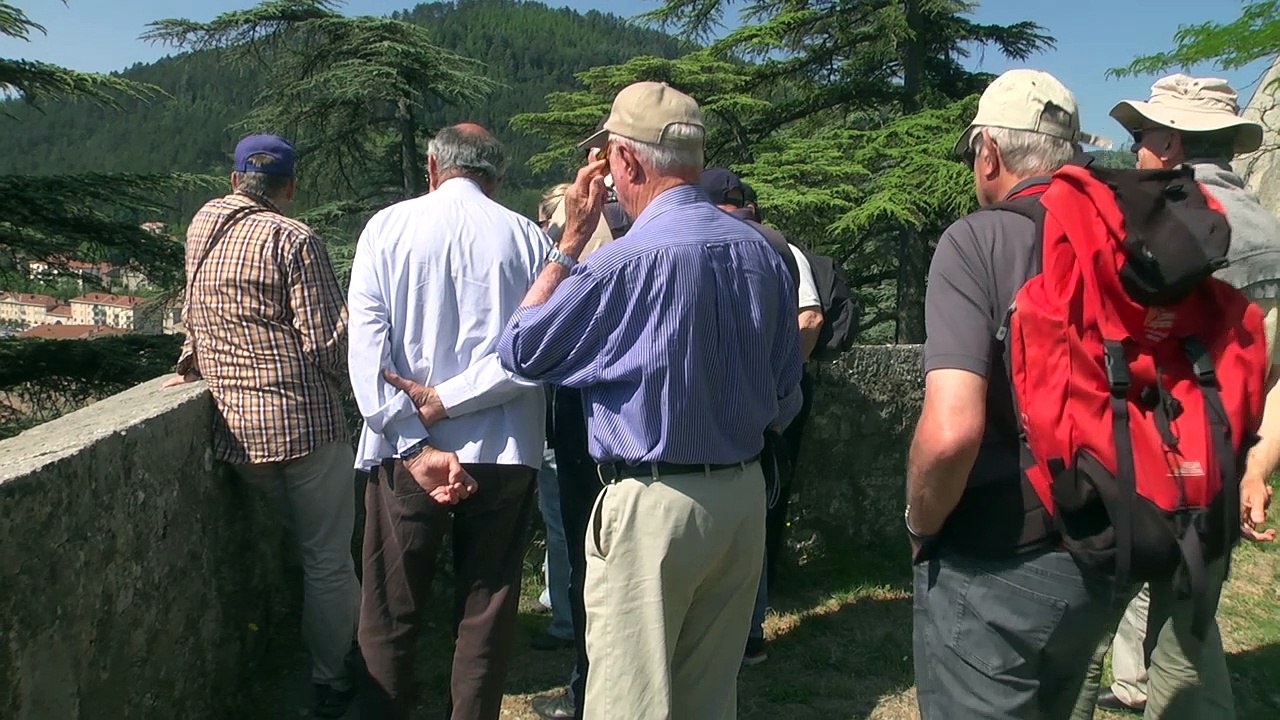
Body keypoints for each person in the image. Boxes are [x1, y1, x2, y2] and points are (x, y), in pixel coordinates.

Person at [498, 81, 802, 720]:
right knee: (709, 699)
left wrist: (569, 243)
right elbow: (784, 391)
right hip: (743, 496)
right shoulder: (765, 253)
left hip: (653, 507)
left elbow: (522, 349)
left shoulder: (622, 263)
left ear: (626, 162)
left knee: (630, 704)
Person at [907, 69, 1119, 719]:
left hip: (1001, 555)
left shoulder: (977, 240)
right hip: (1109, 543)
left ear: (989, 153)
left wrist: (920, 521)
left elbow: (951, 432)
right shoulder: (1121, 234)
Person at [1074, 73, 1280, 720]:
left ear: (1168, 142)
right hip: (1215, 475)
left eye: (1140, 135)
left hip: (1128, 469)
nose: (1134, 149)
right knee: (1188, 643)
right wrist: (1258, 465)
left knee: (1079, 642)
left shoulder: (1145, 225)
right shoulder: (1270, 233)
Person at [347, 123, 546, 720]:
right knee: (485, 608)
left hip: (411, 454)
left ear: (433, 167)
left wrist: (412, 436)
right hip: (506, 449)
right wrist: (451, 399)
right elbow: (530, 357)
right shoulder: (529, 240)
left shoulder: (387, 228)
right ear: (498, 178)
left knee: (389, 611)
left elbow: (367, 357)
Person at [161, 133, 359, 719]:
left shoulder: (202, 225)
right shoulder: (293, 237)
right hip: (305, 426)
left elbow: (198, 305)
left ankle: (284, 649)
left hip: (237, 433)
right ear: (289, 186)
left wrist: (192, 361)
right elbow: (326, 344)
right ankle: (331, 678)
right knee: (327, 558)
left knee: (290, 549)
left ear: (234, 179)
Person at [699, 166, 823, 665]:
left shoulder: (698, 247)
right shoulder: (779, 248)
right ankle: (746, 634)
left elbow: (809, 317)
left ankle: (734, 636)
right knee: (759, 519)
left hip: (730, 413)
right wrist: (781, 385)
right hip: (766, 410)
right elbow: (809, 316)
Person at [530, 142, 633, 720]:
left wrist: (569, 240)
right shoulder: (654, 235)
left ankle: (588, 691)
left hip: (581, 428)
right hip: (638, 436)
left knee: (587, 565)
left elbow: (532, 342)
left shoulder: (588, 244)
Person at [530, 183, 575, 653]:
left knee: (561, 521)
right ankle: (556, 596)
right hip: (581, 416)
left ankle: (566, 619)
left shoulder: (551, 270)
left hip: (555, 417)